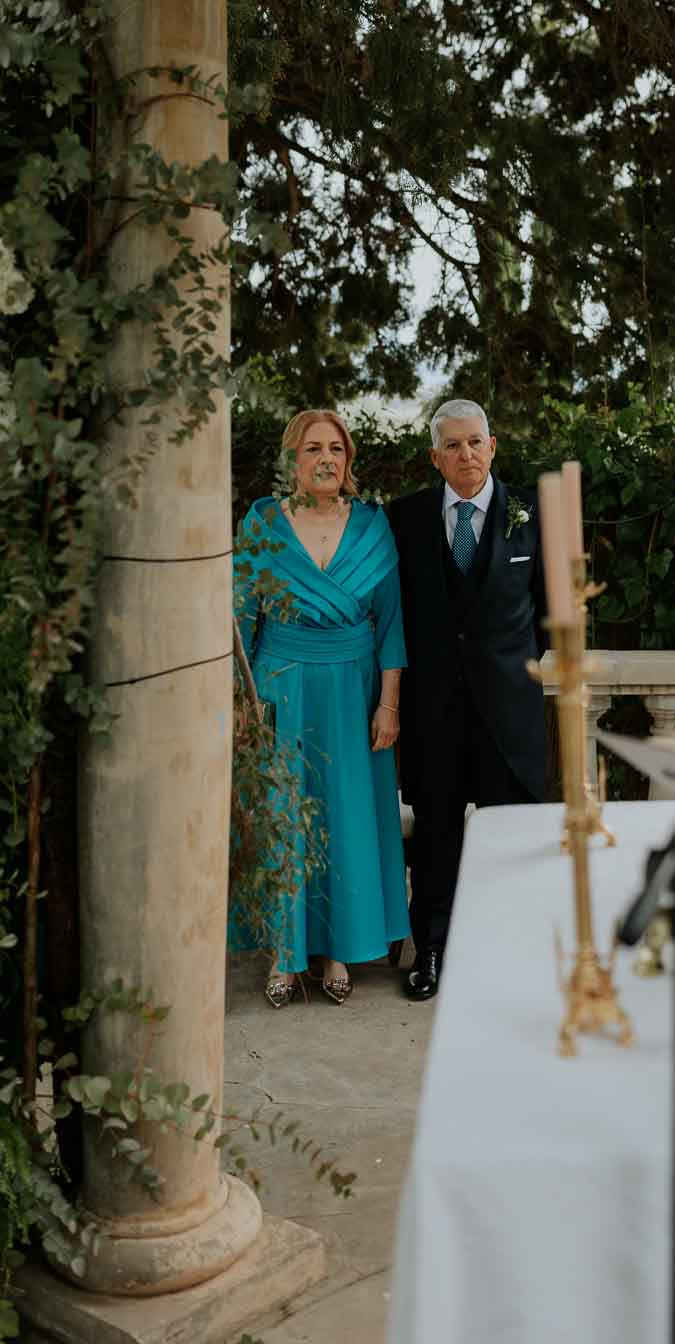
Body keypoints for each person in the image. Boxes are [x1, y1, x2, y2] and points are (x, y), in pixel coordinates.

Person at [233, 409, 410, 1005]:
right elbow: (238, 618)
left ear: (349, 459)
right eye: (314, 449)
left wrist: (388, 705)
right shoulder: (262, 520)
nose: (327, 459)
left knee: (345, 814)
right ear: (295, 459)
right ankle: (283, 957)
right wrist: (241, 699)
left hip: (353, 688)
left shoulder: (372, 526)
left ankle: (339, 952)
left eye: (336, 448)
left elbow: (391, 627)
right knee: (284, 814)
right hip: (281, 684)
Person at [388, 398, 548, 1001]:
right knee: (434, 836)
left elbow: (554, 609)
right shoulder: (403, 518)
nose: (466, 455)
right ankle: (430, 950)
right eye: (452, 445)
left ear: (493, 445)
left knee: (511, 836)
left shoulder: (533, 516)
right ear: (435, 456)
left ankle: (510, 951)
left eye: (475, 442)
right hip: (435, 712)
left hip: (510, 713)